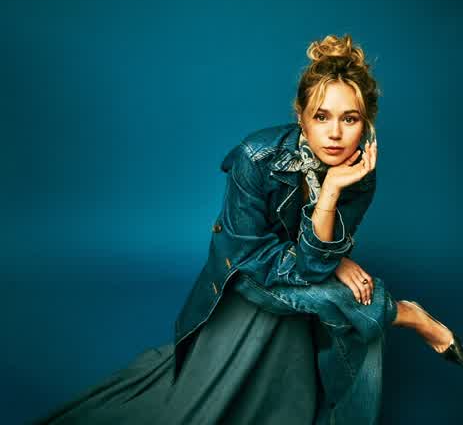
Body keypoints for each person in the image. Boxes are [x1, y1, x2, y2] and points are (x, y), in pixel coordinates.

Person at [29, 34, 462, 425]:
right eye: (321, 116)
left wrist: (333, 205)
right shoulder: (255, 156)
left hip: (299, 264)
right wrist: (331, 245)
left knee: (353, 313)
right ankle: (405, 314)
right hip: (249, 270)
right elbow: (259, 256)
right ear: (301, 117)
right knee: (343, 298)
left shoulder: (358, 174)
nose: (334, 134)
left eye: (349, 119)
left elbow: (313, 261)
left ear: (366, 124)